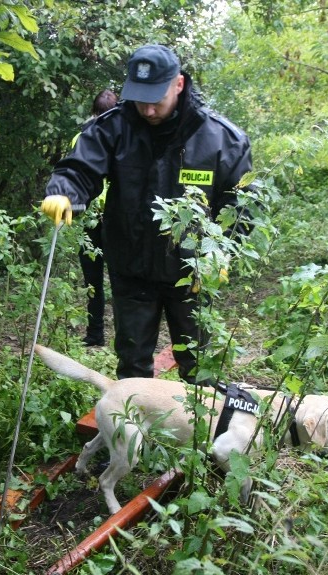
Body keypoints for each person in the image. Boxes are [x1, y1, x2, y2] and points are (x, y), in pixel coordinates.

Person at [41, 44, 254, 384]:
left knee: (199, 367)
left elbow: (242, 204)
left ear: (179, 85)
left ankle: (199, 435)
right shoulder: (115, 127)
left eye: (156, 98)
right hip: (132, 268)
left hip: (191, 273)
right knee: (132, 365)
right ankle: (134, 436)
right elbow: (79, 168)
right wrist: (64, 193)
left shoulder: (220, 139)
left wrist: (222, 254)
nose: (149, 109)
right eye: (141, 98)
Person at [75, 89, 118, 347]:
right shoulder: (123, 138)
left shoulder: (83, 137)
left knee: (95, 282)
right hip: (105, 221)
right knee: (110, 282)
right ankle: (101, 336)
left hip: (100, 220)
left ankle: (96, 335)